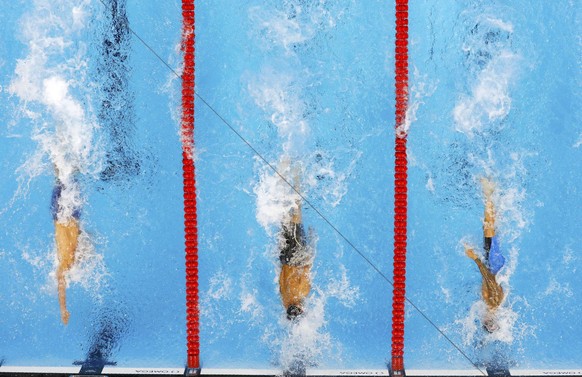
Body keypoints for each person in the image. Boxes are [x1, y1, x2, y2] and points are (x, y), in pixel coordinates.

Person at [465, 178, 506, 333]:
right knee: (489, 228)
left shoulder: (493, 305)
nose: (481, 317)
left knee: (489, 228)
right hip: (493, 263)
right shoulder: (493, 303)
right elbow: (489, 277)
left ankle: (493, 196)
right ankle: (489, 192)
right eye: (484, 321)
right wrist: (474, 257)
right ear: (488, 320)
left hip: (493, 263)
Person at [278, 171, 313, 320]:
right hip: (284, 256)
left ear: (300, 308)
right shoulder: (284, 298)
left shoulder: (301, 293)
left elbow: (306, 268)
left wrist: (311, 242)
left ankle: (297, 175)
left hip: (297, 254)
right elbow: (281, 276)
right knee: (285, 216)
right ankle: (283, 175)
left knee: (296, 213)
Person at [51, 172, 81, 325]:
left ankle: (57, 153)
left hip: (61, 215)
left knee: (62, 175)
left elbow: (60, 280)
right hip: (73, 215)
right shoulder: (75, 251)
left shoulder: (66, 263)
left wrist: (63, 309)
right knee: (71, 174)